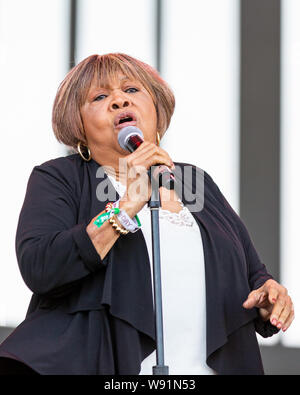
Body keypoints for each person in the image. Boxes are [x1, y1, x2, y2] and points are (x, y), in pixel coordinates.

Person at [0, 53, 294, 375]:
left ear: (157, 109)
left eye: (132, 90)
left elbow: (255, 276)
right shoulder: (59, 178)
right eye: (100, 96)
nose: (118, 100)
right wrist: (127, 206)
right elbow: (41, 266)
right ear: (78, 127)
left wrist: (269, 297)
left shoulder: (196, 183)